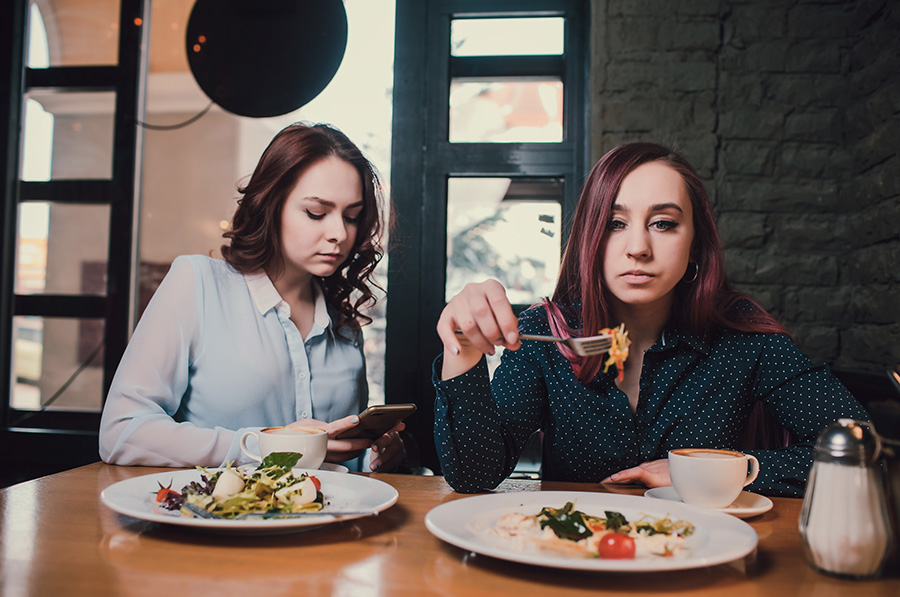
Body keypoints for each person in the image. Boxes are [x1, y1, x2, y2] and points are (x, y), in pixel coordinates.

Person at [434, 142, 868, 495]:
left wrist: (719, 471)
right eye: (615, 223)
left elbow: (861, 446)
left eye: (663, 223)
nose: (638, 247)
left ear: (695, 244)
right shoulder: (546, 333)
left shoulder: (743, 337)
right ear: (590, 238)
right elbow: (475, 475)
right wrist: (463, 351)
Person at [99, 122, 405, 472]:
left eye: (352, 216)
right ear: (270, 205)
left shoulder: (344, 322)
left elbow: (339, 456)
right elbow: (122, 432)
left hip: (330, 523)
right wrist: (267, 446)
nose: (338, 233)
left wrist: (375, 455)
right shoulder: (197, 283)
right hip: (221, 522)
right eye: (316, 213)